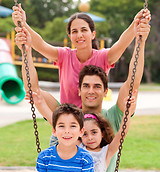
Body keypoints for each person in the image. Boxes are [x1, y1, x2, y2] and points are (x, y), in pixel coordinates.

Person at [14, 12, 150, 172]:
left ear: (106, 91)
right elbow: (34, 91)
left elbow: (131, 83)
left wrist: (140, 41)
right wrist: (25, 47)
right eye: (85, 85)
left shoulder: (112, 116)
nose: (90, 90)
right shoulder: (69, 126)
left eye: (97, 86)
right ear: (78, 90)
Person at [12, 4, 151, 109]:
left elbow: (120, 44)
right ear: (70, 36)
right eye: (74, 31)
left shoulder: (103, 57)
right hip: (67, 119)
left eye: (84, 30)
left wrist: (135, 25)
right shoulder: (64, 56)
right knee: (35, 93)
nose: (79, 35)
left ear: (93, 34)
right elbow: (41, 44)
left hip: (93, 122)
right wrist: (23, 24)